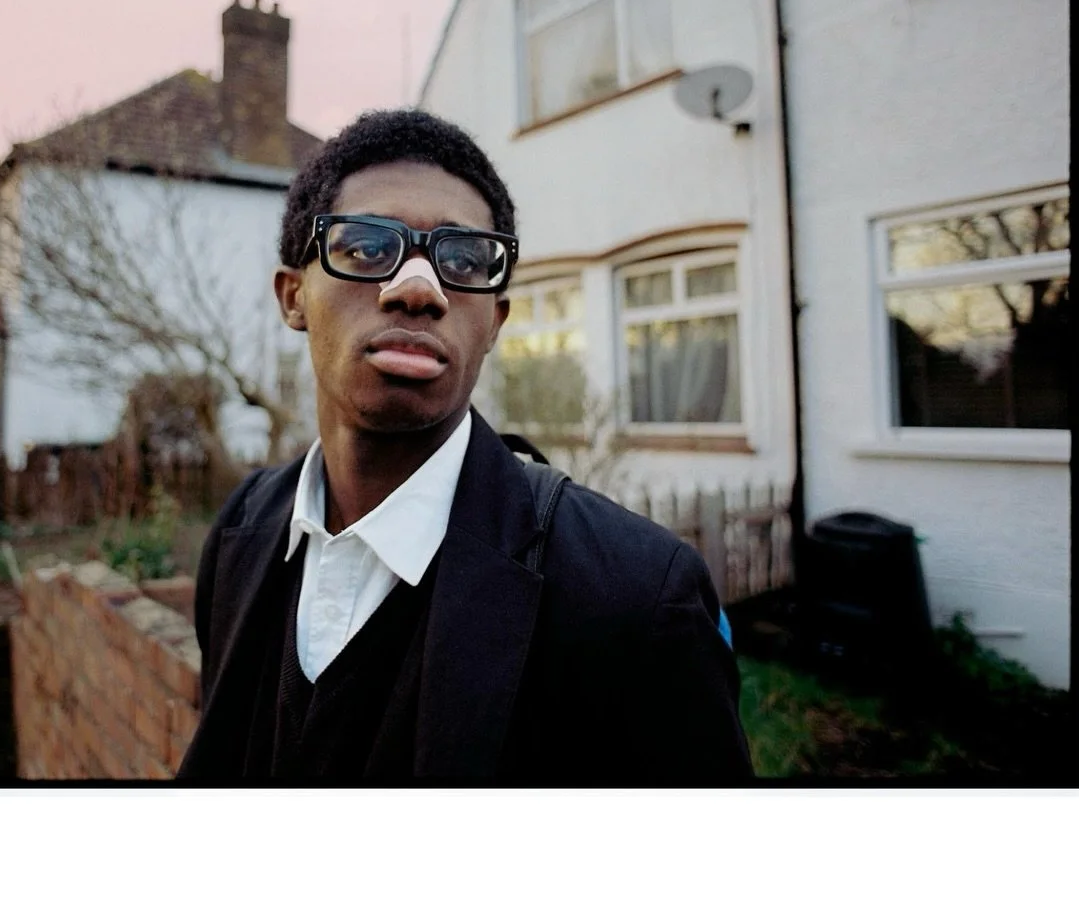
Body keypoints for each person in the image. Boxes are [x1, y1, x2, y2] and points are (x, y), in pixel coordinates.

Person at [175, 109, 753, 785]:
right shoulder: (241, 532)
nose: (418, 289)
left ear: (495, 321)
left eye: (464, 260)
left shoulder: (637, 600)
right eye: (366, 247)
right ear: (293, 295)